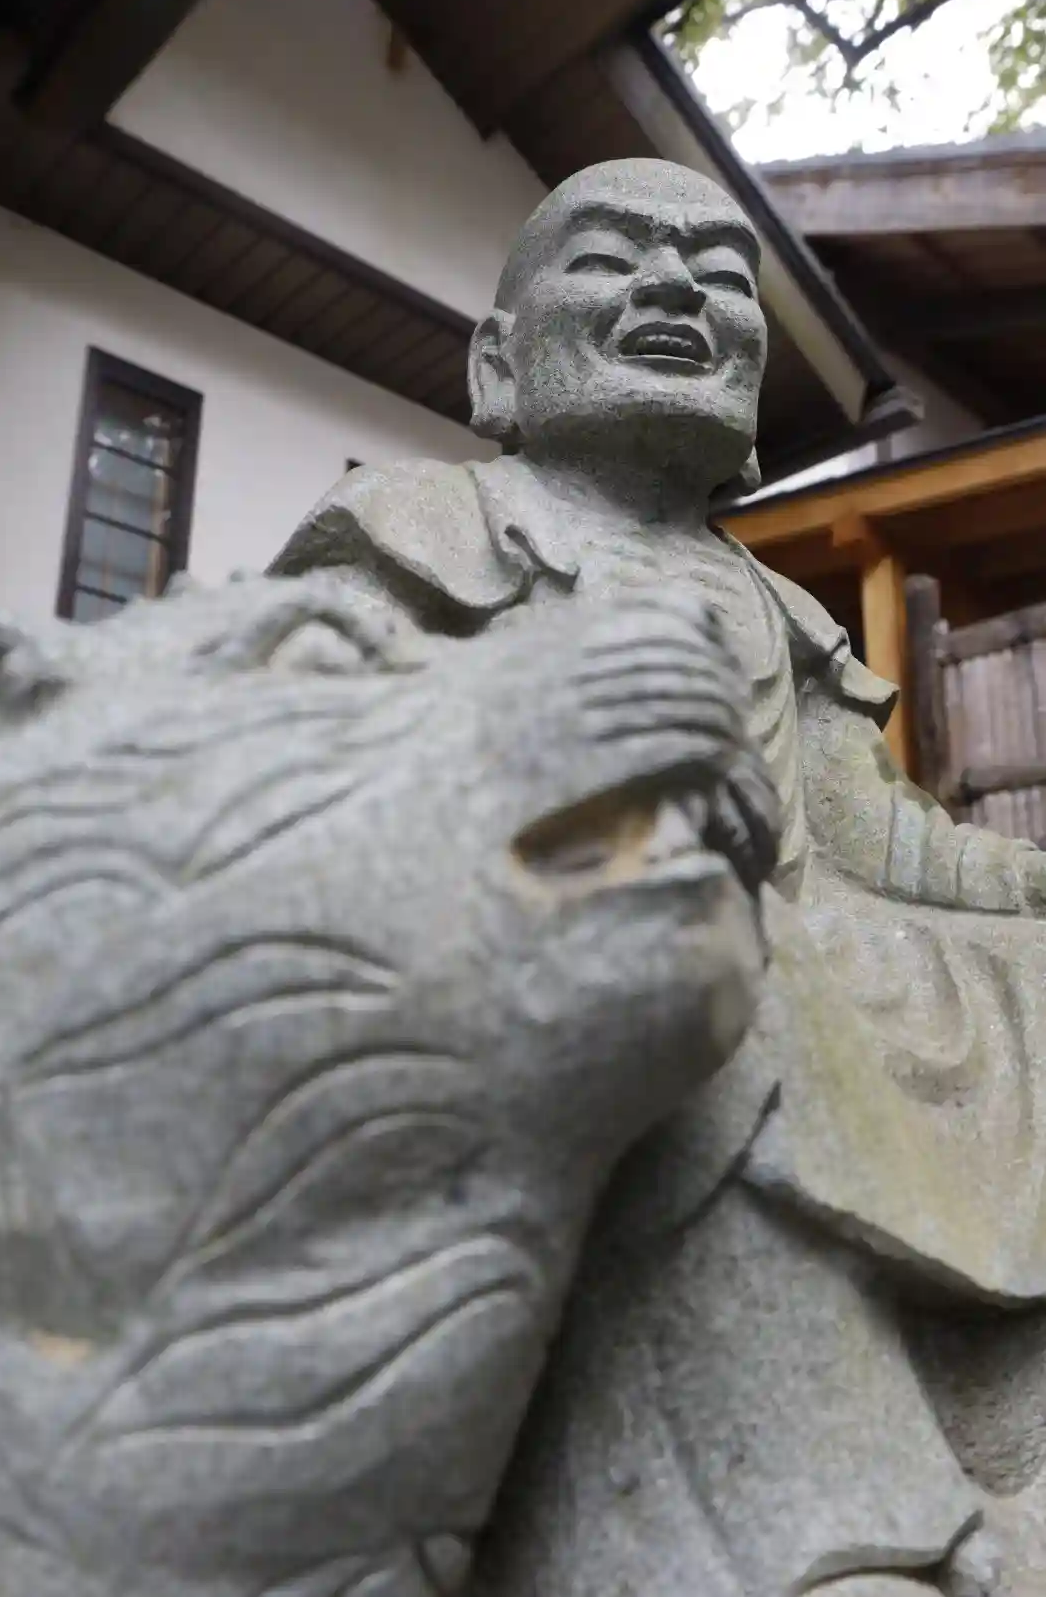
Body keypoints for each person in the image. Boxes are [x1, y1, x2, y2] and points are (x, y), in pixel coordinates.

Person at [271, 159, 1046, 1597]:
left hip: (825, 950)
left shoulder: (776, 603)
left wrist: (1022, 888)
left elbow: (881, 838)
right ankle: (831, 1521)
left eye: (720, 271)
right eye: (612, 258)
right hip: (574, 927)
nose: (678, 286)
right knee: (696, 977)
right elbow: (313, 758)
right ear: (498, 365)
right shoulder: (421, 529)